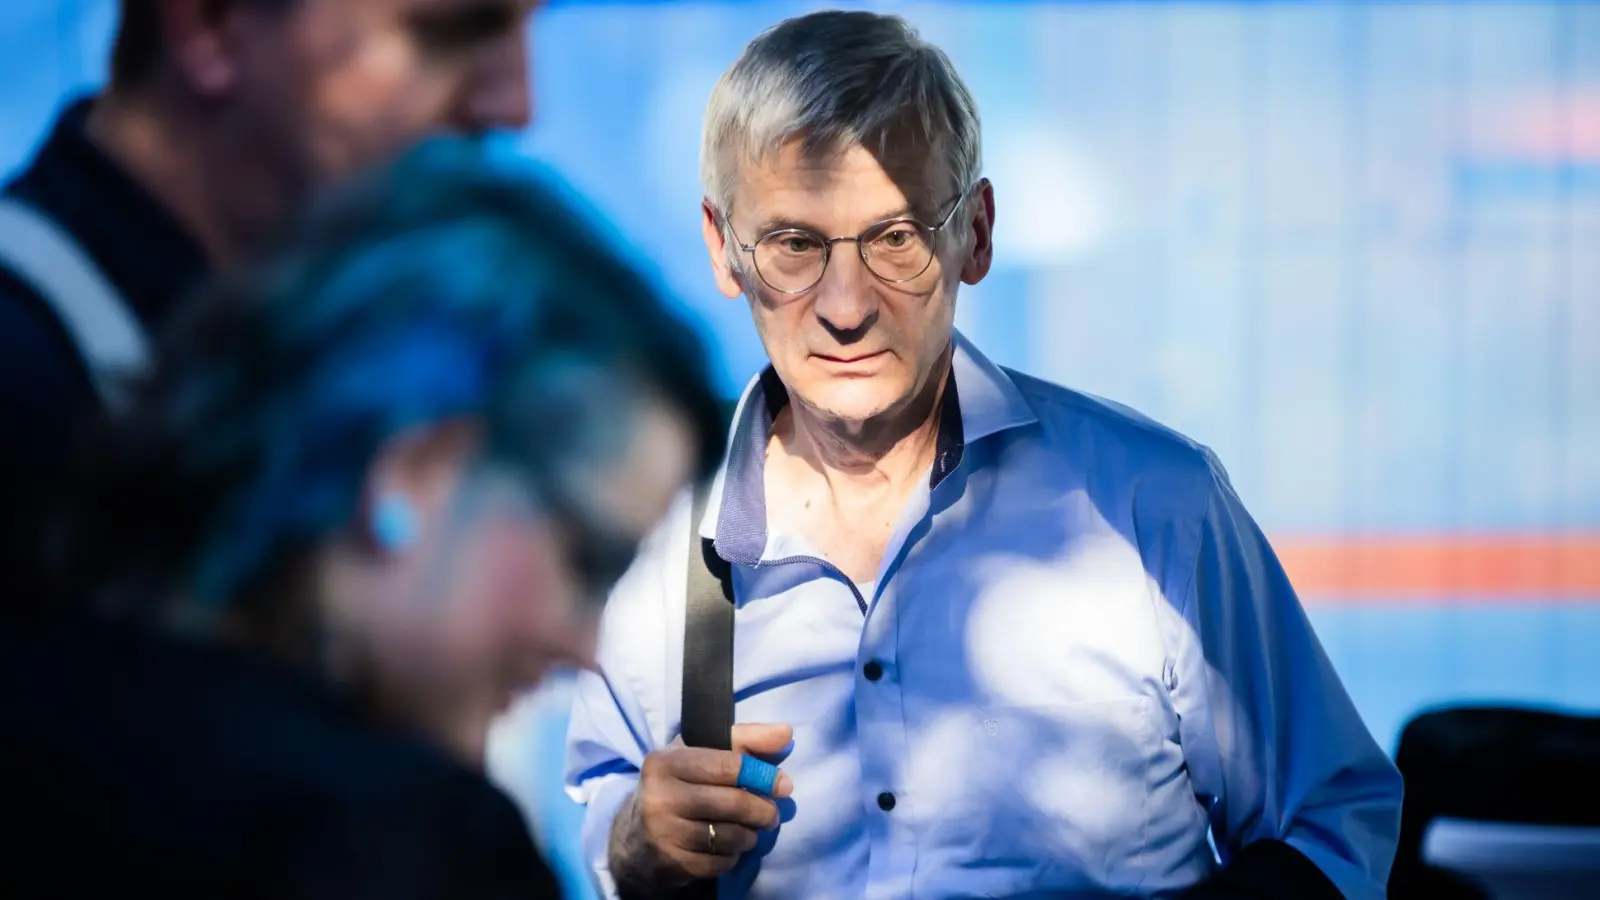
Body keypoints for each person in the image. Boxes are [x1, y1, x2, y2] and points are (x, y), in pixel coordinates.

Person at [564, 10, 1403, 899]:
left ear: (978, 233)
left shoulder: (1154, 505)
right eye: (796, 245)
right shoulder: (652, 556)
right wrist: (635, 841)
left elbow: (1332, 830)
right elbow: (605, 832)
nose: (845, 306)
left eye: (896, 238)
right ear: (723, 247)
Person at [0, 138, 726, 899]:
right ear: (415, 476)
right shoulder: (408, 843)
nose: (588, 650)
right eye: (588, 565)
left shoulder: (37, 709)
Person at [0, 0, 539, 614]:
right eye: (449, 31)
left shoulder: (321, 370)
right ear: (210, 24)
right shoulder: (26, 385)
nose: (515, 104)